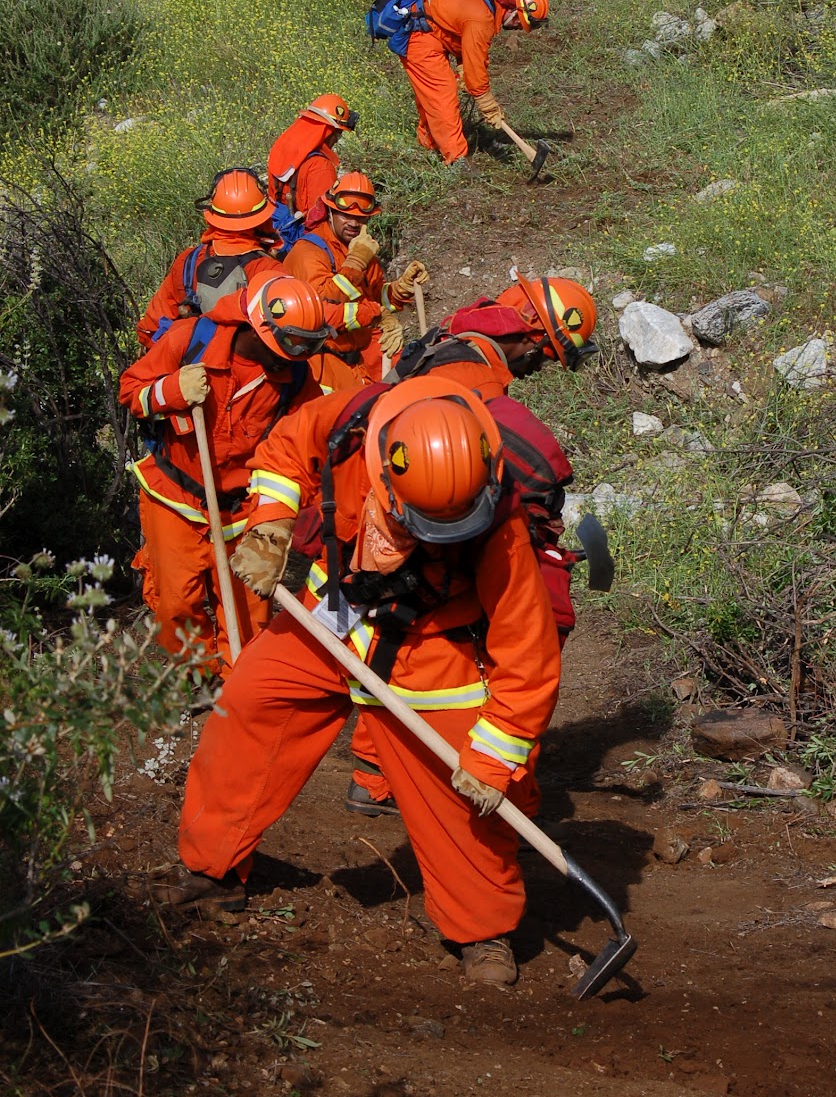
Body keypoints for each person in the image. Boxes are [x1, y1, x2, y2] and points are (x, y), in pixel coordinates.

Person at [154, 375, 561, 990]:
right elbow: (283, 450)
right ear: (386, 477)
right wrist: (268, 527)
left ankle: (482, 930)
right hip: (334, 610)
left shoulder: (498, 519)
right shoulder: (350, 422)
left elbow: (526, 652)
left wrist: (497, 749)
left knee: (461, 789)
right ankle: (212, 871)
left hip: (430, 645)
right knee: (248, 710)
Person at [345, 277, 599, 817]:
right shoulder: (483, 393)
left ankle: (373, 776)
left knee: (392, 632)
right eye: (546, 356)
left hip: (383, 522)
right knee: (519, 635)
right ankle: (507, 789)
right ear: (532, 340)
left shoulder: (449, 337)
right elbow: (533, 480)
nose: (542, 366)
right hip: (420, 523)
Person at [118, 277, 329, 673]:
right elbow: (131, 391)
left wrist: (283, 519)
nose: (297, 355)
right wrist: (170, 391)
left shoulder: (293, 376)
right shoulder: (189, 341)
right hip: (174, 497)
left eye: (306, 346)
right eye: (291, 343)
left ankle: (239, 688)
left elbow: (310, 440)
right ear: (255, 329)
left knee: (248, 611)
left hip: (240, 506)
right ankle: (193, 678)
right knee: (176, 601)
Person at [285, 172, 428, 391]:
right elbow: (322, 310)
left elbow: (372, 296)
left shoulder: (361, 247)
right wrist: (356, 262)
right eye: (345, 215)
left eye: (361, 218)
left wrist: (399, 290)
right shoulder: (309, 252)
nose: (353, 222)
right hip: (319, 364)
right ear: (330, 212)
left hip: (354, 361)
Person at [399, 0, 549, 167]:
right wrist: (488, 105)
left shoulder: (488, 3)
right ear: (513, 10)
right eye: (521, 22)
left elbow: (460, 31)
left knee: (433, 95)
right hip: (418, 36)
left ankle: (429, 143)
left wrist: (463, 64)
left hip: (431, 31)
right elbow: (475, 70)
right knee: (442, 95)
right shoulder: (482, 19)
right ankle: (456, 161)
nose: (520, 27)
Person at [136, 168, 280, 348]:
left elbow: (151, 329)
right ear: (262, 219)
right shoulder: (269, 270)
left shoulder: (188, 262)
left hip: (195, 368)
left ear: (213, 218)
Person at [266, 94, 359, 222]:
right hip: (303, 236)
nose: (337, 141)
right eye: (338, 134)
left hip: (275, 228)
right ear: (327, 132)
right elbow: (320, 218)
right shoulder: (320, 167)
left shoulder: (280, 151)